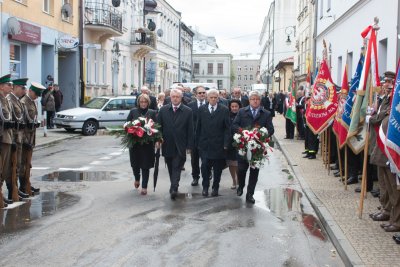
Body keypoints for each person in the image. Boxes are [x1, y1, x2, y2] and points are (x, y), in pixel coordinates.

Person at [233, 91, 274, 204]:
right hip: (243, 146)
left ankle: (250, 194)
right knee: (241, 169)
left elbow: (271, 129)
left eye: (257, 99)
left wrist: (261, 134)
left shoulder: (265, 113)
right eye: (253, 99)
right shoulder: (242, 111)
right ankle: (241, 186)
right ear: (249, 100)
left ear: (260, 101)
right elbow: (235, 125)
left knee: (254, 172)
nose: (255, 101)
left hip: (257, 148)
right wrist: (243, 133)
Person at [157, 88, 194, 200]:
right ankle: (173, 184)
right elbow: (159, 127)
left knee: (177, 166)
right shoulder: (163, 110)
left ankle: (174, 187)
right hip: (167, 144)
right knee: (170, 167)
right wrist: (158, 140)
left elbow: (190, 130)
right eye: (173, 97)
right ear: (170, 98)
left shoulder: (187, 111)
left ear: (181, 98)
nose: (175, 99)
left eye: (178, 97)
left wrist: (189, 146)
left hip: (180, 145)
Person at [196, 89, 230, 197]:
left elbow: (227, 128)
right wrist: (197, 143)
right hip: (205, 144)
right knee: (205, 167)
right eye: (211, 97)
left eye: (215, 97)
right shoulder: (202, 109)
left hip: (218, 145)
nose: (213, 99)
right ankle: (205, 187)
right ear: (207, 98)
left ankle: (215, 187)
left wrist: (226, 143)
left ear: (218, 98)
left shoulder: (224, 110)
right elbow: (198, 127)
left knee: (217, 169)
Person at [127, 94, 157, 195]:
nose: (143, 104)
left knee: (145, 165)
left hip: (147, 145)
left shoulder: (152, 112)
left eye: (145, 102)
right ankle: (137, 178)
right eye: (141, 102)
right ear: (138, 102)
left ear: (148, 102)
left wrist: (156, 139)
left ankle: (144, 187)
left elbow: (156, 127)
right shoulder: (133, 112)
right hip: (135, 144)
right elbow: (127, 125)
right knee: (135, 165)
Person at [20, 82, 45, 197]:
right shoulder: (24, 102)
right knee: (23, 164)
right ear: (30, 91)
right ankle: (23, 186)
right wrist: (25, 140)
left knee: (28, 164)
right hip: (25, 138)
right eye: (36, 94)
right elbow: (22, 123)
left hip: (31, 137)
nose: (37, 96)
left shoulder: (32, 102)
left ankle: (26, 184)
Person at [7, 78, 30, 200]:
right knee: (12, 165)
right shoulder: (10, 100)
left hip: (19, 137)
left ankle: (15, 189)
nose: (24, 90)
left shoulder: (18, 101)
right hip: (13, 137)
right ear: (15, 87)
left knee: (18, 164)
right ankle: (12, 190)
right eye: (22, 88)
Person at [187, 86, 207, 186]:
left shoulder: (209, 105)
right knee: (194, 159)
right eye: (200, 93)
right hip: (193, 137)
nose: (202, 94)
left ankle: (206, 176)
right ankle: (195, 177)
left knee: (206, 159)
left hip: (206, 138)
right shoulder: (190, 105)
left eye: (203, 92)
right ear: (196, 95)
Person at [0, 74, 13, 208]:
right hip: (2, 138)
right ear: (1, 86)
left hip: (7, 138)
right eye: (8, 85)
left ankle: (1, 194)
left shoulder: (5, 100)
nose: (11, 87)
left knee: (4, 170)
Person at [226, 99, 242, 189]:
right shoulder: (227, 115)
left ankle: (239, 179)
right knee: (231, 163)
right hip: (230, 142)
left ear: (239, 107)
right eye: (232, 107)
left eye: (236, 106)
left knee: (239, 163)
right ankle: (234, 180)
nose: (234, 108)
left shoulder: (243, 115)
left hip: (240, 142)